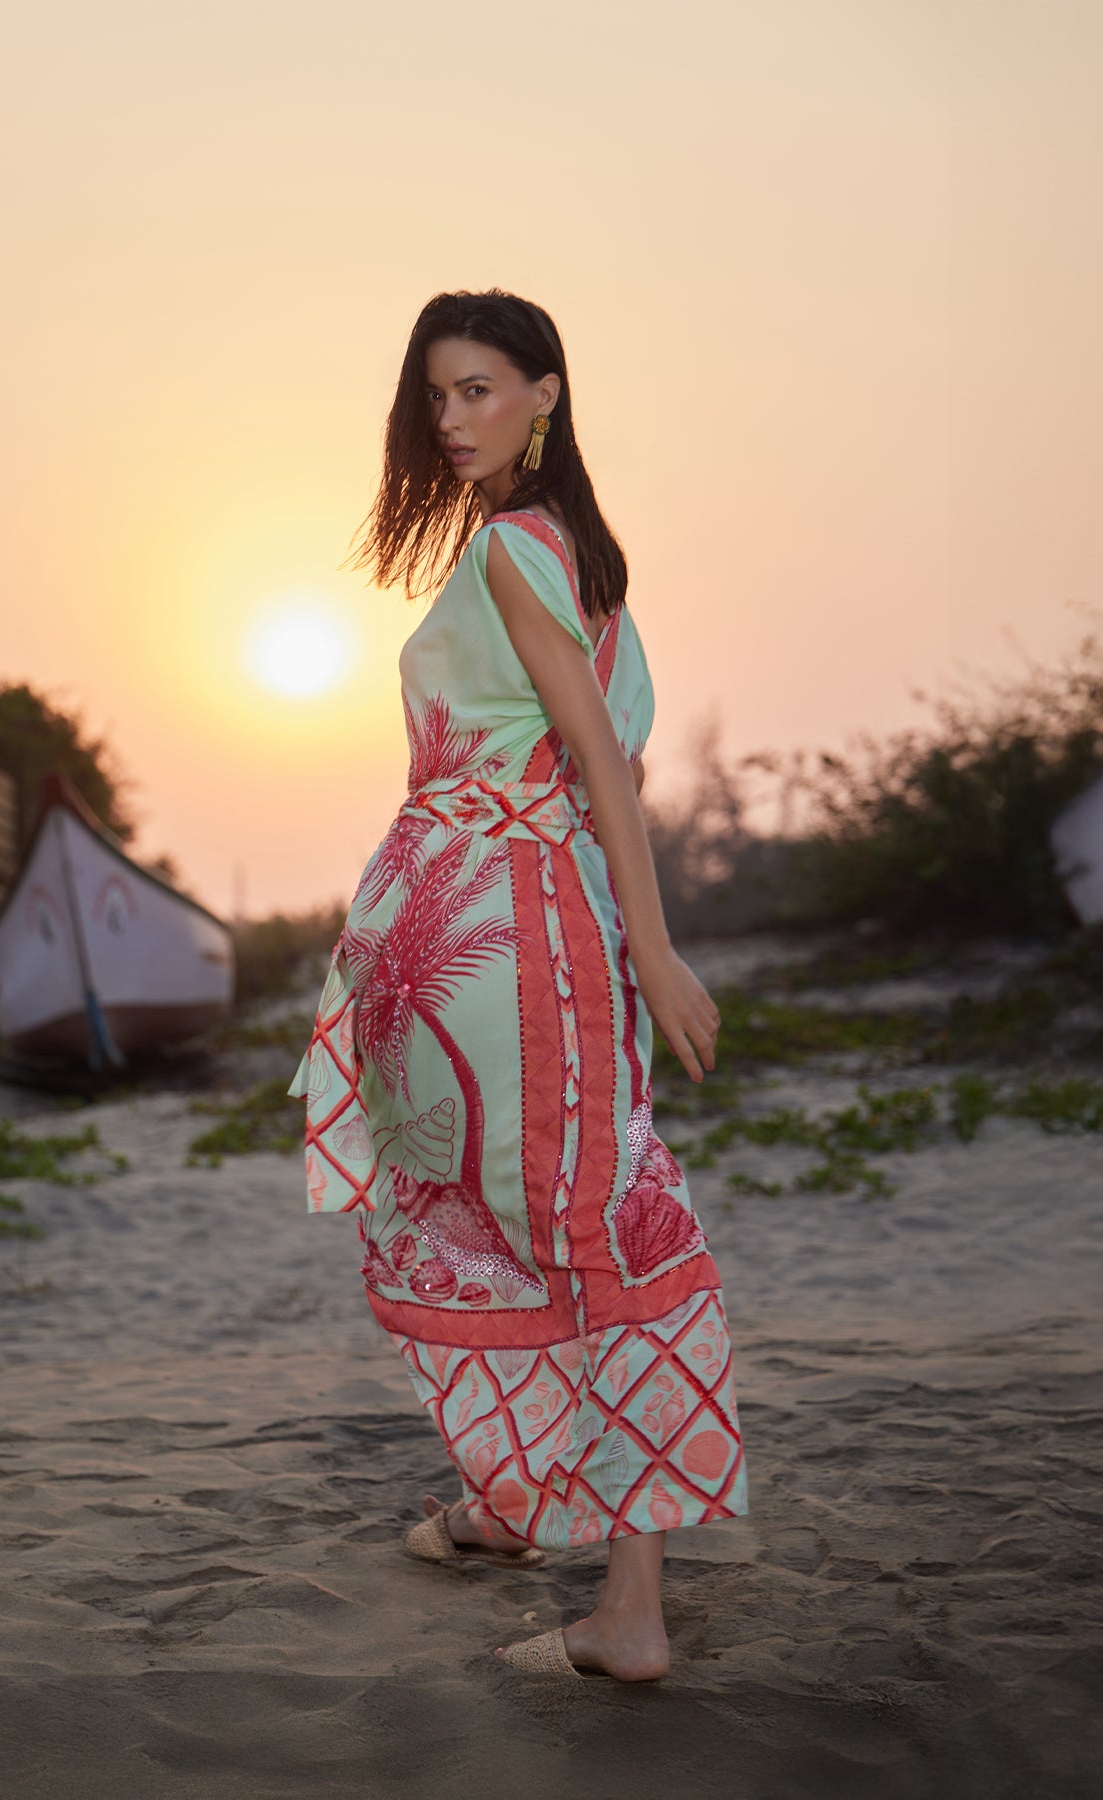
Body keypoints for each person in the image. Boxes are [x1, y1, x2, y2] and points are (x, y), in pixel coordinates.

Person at [289, 289, 748, 1682]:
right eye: (437, 395)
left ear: (548, 393)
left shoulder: (513, 553)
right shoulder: (575, 561)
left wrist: (653, 945)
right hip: (480, 946)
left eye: (480, 389)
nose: (452, 419)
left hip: (512, 943)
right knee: (507, 1212)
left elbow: (605, 763)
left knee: (592, 1228)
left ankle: (631, 1615)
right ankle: (513, 1503)